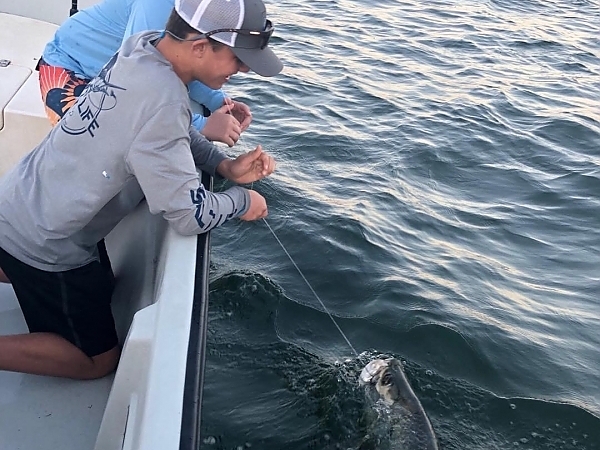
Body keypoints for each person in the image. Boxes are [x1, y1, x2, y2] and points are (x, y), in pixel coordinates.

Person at [0, 0, 283, 380]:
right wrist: (241, 200)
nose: (245, 68)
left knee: (104, 288)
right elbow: (188, 215)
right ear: (199, 47)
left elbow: (175, 125)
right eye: (238, 58)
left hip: (21, 196)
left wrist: (222, 165)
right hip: (48, 240)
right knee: (97, 361)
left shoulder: (144, 48)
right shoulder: (163, 103)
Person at [39, 0, 252, 147]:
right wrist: (202, 125)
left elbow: (187, 63)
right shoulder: (158, 5)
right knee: (96, 147)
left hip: (114, 73)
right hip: (70, 65)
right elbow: (132, 81)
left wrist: (219, 102)